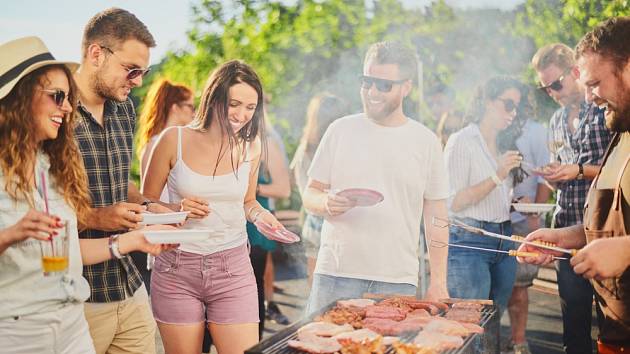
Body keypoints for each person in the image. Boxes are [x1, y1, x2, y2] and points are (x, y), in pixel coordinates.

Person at [0, 36, 174, 354]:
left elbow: (68, 252)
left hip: (71, 324)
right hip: (17, 333)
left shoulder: (51, 165)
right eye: (56, 96)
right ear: (18, 98)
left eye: (67, 97)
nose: (67, 108)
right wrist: (11, 235)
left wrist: (133, 240)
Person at [143, 60, 285, 353]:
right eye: (234, 104)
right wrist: (176, 209)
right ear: (214, 97)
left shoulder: (252, 145)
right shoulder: (174, 140)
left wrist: (261, 216)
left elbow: (247, 201)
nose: (242, 115)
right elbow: (145, 204)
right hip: (176, 268)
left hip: (232, 267)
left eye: (250, 107)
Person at [302, 41, 450, 314]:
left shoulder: (426, 141)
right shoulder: (340, 130)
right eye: (366, 81)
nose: (372, 92)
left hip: (396, 279)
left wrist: (439, 281)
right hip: (335, 273)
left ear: (406, 87)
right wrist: (325, 202)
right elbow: (310, 193)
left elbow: (437, 215)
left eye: (384, 85)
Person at [519, 16, 630, 354]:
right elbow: (615, 222)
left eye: (594, 82)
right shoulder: (622, 131)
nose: (590, 97)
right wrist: (563, 237)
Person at [72, 8, 173, 354]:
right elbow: (36, 208)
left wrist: (151, 206)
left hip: (129, 287)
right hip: (78, 297)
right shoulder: (55, 113)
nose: (138, 81)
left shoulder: (124, 108)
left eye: (142, 72)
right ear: (96, 54)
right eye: (131, 70)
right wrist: (97, 217)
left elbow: (119, 181)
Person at [531, 42, 612, 354]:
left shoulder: (606, 108)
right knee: (573, 332)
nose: (552, 92)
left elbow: (616, 170)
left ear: (575, 71)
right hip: (566, 230)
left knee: (611, 326)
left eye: (555, 83)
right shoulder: (555, 120)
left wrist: (576, 170)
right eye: (545, 88)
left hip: (602, 231)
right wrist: (554, 175)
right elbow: (565, 173)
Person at [444, 76, 525, 316]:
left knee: (493, 324)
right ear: (488, 101)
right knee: (469, 325)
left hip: (504, 239)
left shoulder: (505, 144)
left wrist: (518, 203)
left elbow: (495, 196)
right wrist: (498, 174)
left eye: (516, 107)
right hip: (470, 241)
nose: (513, 112)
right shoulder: (461, 141)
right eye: (508, 104)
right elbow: (455, 203)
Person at [134, 78, 195, 291]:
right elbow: (148, 198)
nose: (195, 113)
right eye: (191, 107)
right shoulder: (157, 144)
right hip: (169, 237)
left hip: (180, 234)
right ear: (175, 108)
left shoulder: (176, 142)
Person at [502, 94, 552, 354]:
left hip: (524, 220)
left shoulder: (536, 131)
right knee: (500, 285)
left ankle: (519, 340)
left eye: (514, 103)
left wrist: (534, 217)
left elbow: (544, 179)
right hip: (498, 218)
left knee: (519, 286)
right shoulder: (498, 129)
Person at [290, 93, 349, 286]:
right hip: (329, 222)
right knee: (335, 285)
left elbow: (299, 186)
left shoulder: (304, 149)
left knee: (317, 285)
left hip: (313, 223)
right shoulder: (331, 150)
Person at [247, 119, 291, 336]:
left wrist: (249, 189)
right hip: (222, 226)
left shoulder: (265, 141)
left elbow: (283, 189)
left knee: (253, 290)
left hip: (254, 224)